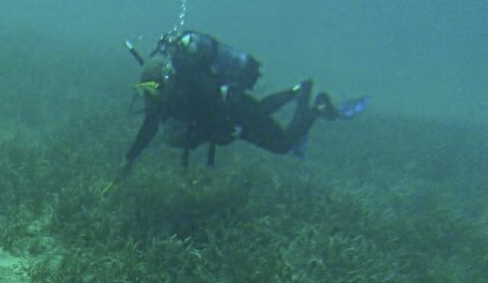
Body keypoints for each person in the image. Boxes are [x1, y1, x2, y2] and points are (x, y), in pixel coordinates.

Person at [117, 29, 368, 176]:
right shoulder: (165, 87)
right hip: (238, 109)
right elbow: (150, 125)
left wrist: (225, 131)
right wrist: (129, 159)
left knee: (282, 144)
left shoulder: (190, 83)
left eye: (155, 94)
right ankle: (297, 90)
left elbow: (217, 111)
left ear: (166, 80)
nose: (154, 101)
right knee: (256, 110)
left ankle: (317, 108)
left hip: (234, 114)